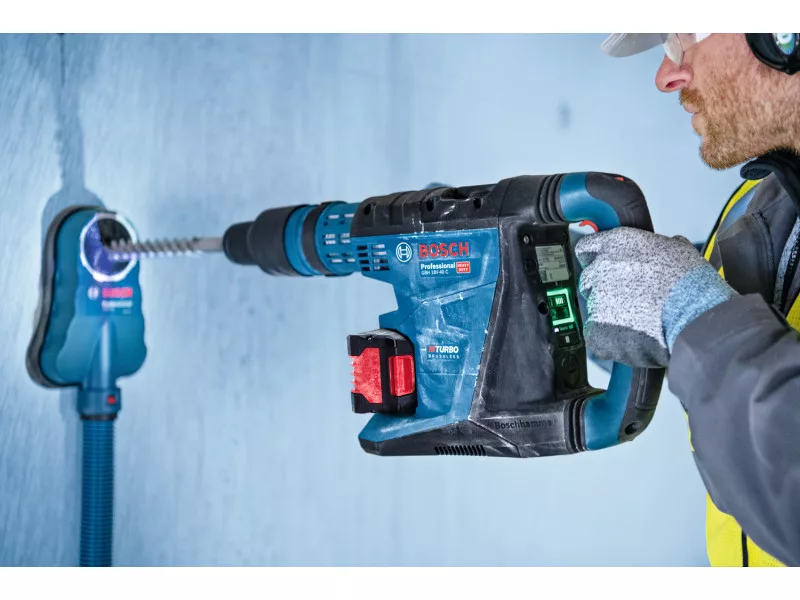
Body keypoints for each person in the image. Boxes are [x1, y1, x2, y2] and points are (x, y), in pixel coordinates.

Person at [575, 33, 800, 567]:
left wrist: (686, 312)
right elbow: (739, 314)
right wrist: (599, 294)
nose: (667, 76)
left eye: (683, 34)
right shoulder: (771, 200)